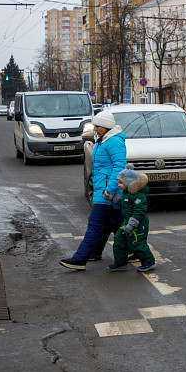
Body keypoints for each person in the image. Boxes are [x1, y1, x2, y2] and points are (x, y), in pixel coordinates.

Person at [60, 111, 126, 270]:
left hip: (107, 192)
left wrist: (109, 190)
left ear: (107, 126)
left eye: (98, 126)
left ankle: (80, 259)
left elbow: (119, 167)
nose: (95, 129)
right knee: (113, 224)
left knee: (95, 224)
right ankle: (132, 250)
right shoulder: (103, 140)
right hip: (103, 189)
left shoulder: (114, 141)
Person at [107, 164, 156, 272]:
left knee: (137, 244)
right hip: (127, 222)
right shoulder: (127, 194)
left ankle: (149, 261)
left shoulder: (139, 196)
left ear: (129, 183)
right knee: (119, 240)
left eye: (121, 183)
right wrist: (113, 198)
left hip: (138, 224)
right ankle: (120, 263)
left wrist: (132, 224)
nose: (119, 185)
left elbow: (139, 211)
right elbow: (124, 204)